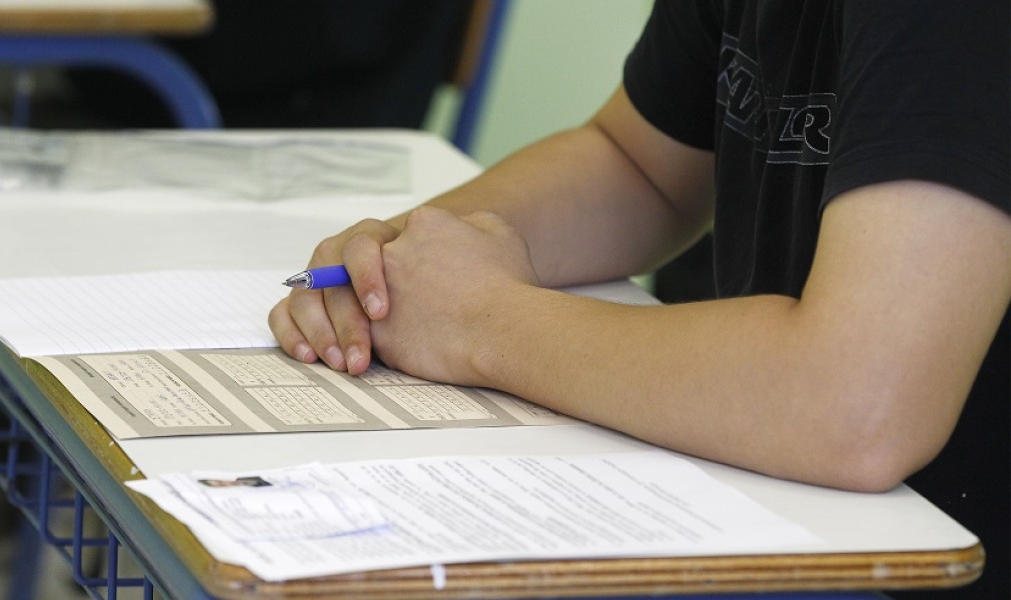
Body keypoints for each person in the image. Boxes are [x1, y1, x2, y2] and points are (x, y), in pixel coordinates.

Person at [269, 1, 1010, 597]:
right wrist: (401, 261)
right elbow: (638, 164)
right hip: (784, 510)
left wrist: (482, 320)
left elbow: (858, 402)